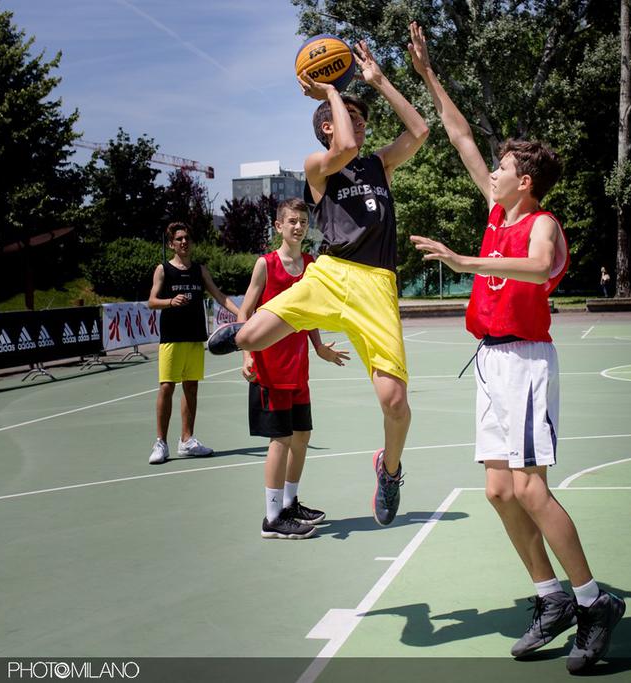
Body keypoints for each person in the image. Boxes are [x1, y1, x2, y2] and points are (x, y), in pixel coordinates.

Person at [406, 22, 624, 673]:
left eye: (502, 167)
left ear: (523, 181)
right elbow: (460, 136)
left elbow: (535, 267)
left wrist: (462, 260)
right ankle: (550, 596)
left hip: (526, 361)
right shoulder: (499, 213)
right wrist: (427, 75)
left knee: (531, 489)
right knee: (500, 491)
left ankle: (594, 601)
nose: (492, 172)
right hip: (491, 361)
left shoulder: (541, 224)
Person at [207, 40, 429, 526]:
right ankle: (241, 333)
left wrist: (379, 81)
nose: (360, 123)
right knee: (253, 338)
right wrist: (331, 90)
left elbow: (420, 130)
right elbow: (344, 147)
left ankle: (389, 471)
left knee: (395, 402)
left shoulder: (379, 165)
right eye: (351, 115)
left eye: (362, 117)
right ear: (328, 124)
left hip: (376, 286)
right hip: (329, 274)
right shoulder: (317, 166)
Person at [238, 198, 350, 540]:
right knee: (281, 440)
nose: (298, 226)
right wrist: (246, 355)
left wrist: (319, 347)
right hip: (270, 369)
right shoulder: (266, 265)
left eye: (303, 221)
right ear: (279, 226)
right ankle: (272, 518)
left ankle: (289, 504)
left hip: (298, 369)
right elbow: (244, 314)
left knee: (302, 436)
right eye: (292, 221)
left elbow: (309, 312)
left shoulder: (311, 265)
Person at [147, 222, 240, 465]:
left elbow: (220, 297)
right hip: (172, 338)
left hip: (195, 337)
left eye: (187, 238)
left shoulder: (200, 270)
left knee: (191, 388)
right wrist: (170, 302)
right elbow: (152, 301)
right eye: (179, 239)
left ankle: (186, 440)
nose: (184, 242)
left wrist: (242, 316)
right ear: (171, 244)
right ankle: (160, 443)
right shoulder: (163, 270)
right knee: (167, 387)